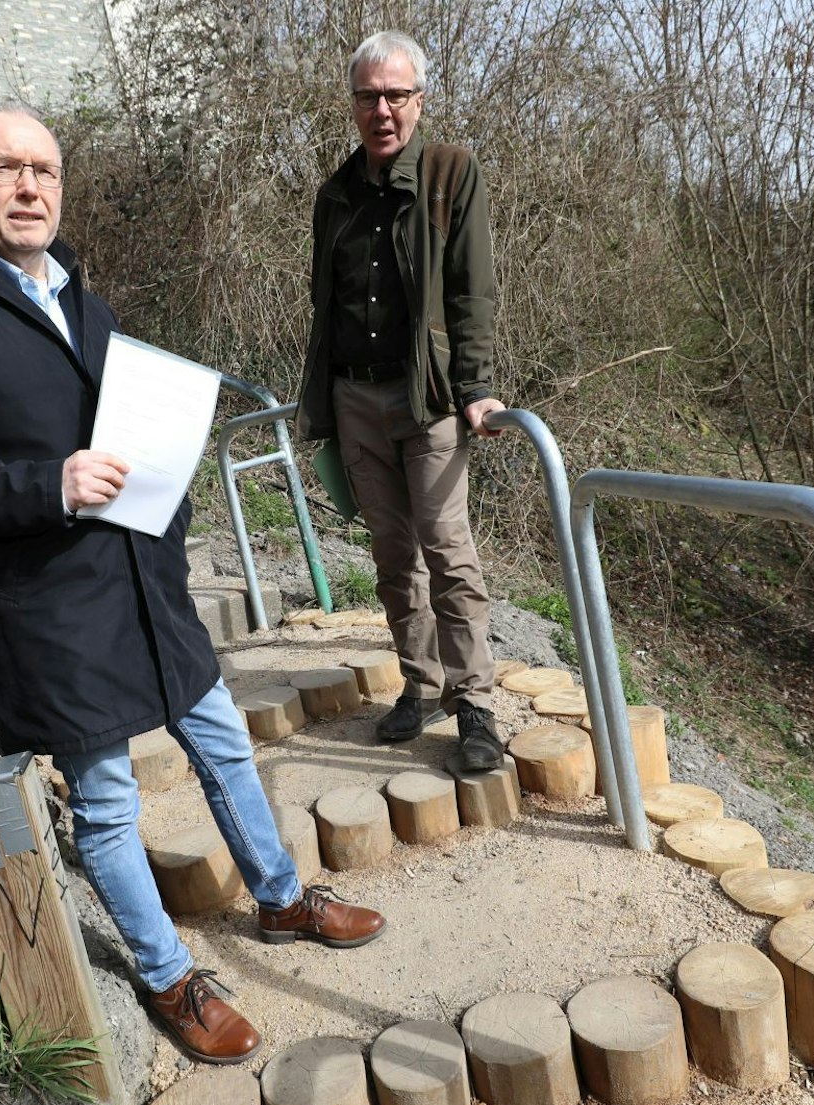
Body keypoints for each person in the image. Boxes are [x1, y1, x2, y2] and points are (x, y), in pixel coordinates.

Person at [0, 104, 384, 1065]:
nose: (30, 188)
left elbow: (141, 443)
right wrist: (45, 483)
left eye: (46, 172)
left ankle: (277, 897)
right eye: (7, 169)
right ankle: (167, 975)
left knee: (225, 739)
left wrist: (170, 516)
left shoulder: (87, 304)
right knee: (105, 799)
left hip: (146, 585)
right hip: (46, 605)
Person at [295, 31, 509, 772]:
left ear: (420, 99)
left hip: (429, 399)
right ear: (353, 103)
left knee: (448, 551)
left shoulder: (452, 173)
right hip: (354, 394)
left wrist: (476, 387)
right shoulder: (335, 193)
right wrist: (318, 406)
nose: (382, 109)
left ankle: (473, 702)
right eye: (369, 96)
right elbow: (325, 306)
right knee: (392, 555)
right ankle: (418, 684)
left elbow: (472, 292)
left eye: (396, 94)